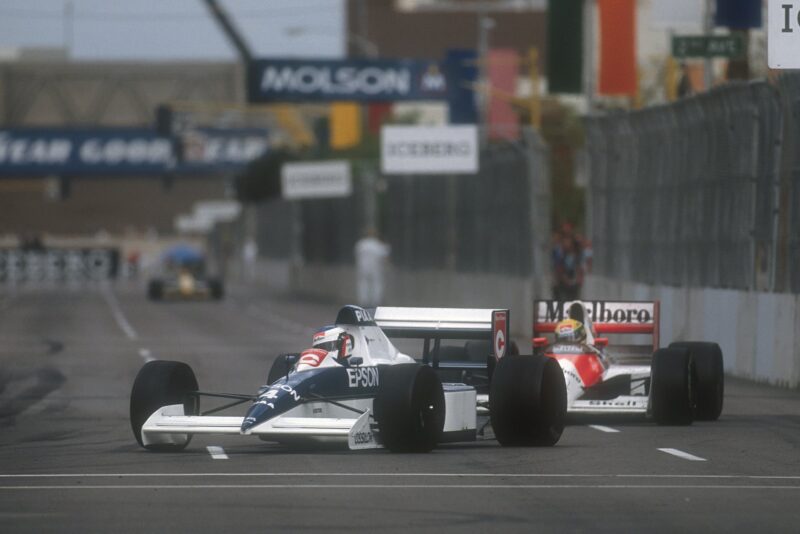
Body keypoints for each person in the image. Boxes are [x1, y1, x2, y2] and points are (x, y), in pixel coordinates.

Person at [355, 228, 390, 308]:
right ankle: (375, 302)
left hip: (363, 268)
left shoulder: (361, 244)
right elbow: (385, 256)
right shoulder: (377, 244)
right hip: (375, 268)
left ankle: (363, 302)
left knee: (363, 285)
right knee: (376, 285)